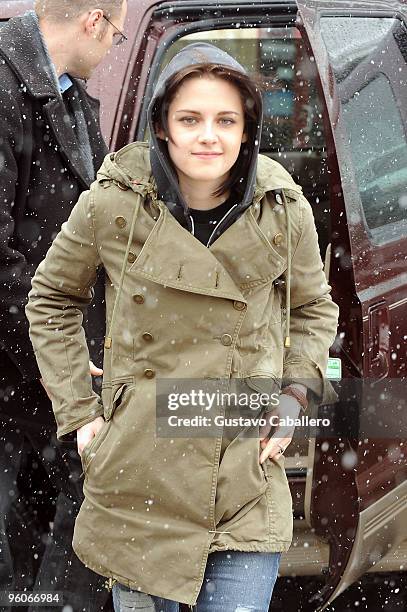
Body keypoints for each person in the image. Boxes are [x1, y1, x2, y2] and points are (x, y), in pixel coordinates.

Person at [26, 43, 339, 611]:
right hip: (141, 476)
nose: (208, 137)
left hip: (243, 474)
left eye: (226, 121)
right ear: (163, 127)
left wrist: (296, 396)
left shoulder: (284, 209)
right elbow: (51, 298)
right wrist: (80, 413)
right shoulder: (113, 203)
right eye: (189, 120)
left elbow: (314, 310)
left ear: (247, 130)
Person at [0, 0, 127, 609]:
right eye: (117, 34)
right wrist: (62, 360)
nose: (112, 48)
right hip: (20, 369)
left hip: (43, 376)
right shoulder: (5, 87)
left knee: (52, 525)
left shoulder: (67, 94)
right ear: (94, 20)